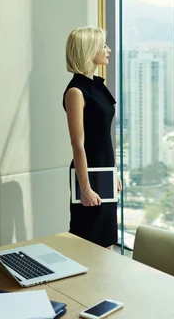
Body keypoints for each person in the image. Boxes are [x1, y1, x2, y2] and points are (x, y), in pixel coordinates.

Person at [62, 26, 121, 250]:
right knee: (88, 239)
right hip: (88, 175)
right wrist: (85, 188)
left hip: (104, 172)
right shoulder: (75, 92)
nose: (109, 50)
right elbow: (78, 144)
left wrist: (113, 174)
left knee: (107, 240)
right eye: (103, 46)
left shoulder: (97, 86)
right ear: (88, 51)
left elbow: (103, 136)